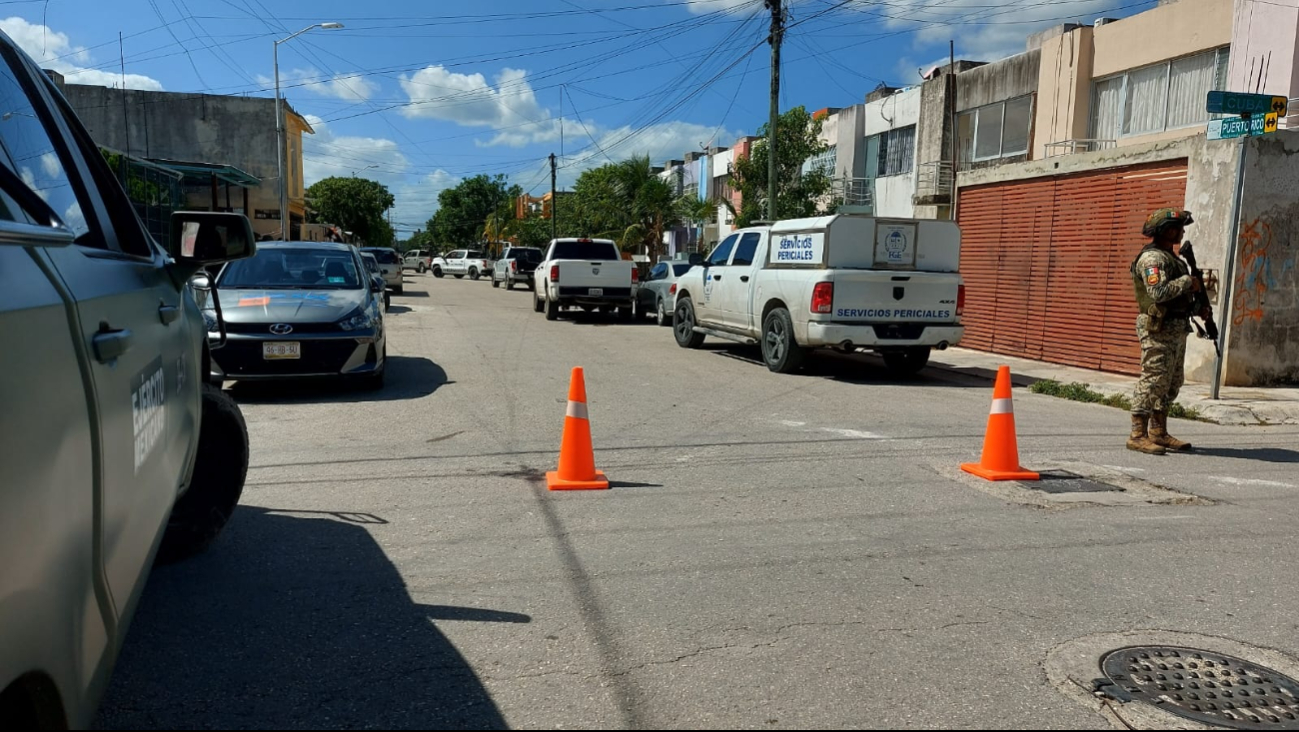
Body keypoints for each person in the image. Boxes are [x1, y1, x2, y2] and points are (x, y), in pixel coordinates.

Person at [1127, 208, 1205, 454]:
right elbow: (1158, 293)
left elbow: (1178, 297)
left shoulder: (1172, 259)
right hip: (1158, 329)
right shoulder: (1152, 260)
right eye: (1179, 227)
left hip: (1175, 328)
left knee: (1172, 382)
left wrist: (1198, 308)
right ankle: (1137, 434)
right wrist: (1187, 282)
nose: (1182, 232)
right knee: (1154, 379)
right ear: (1168, 230)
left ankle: (1158, 431)